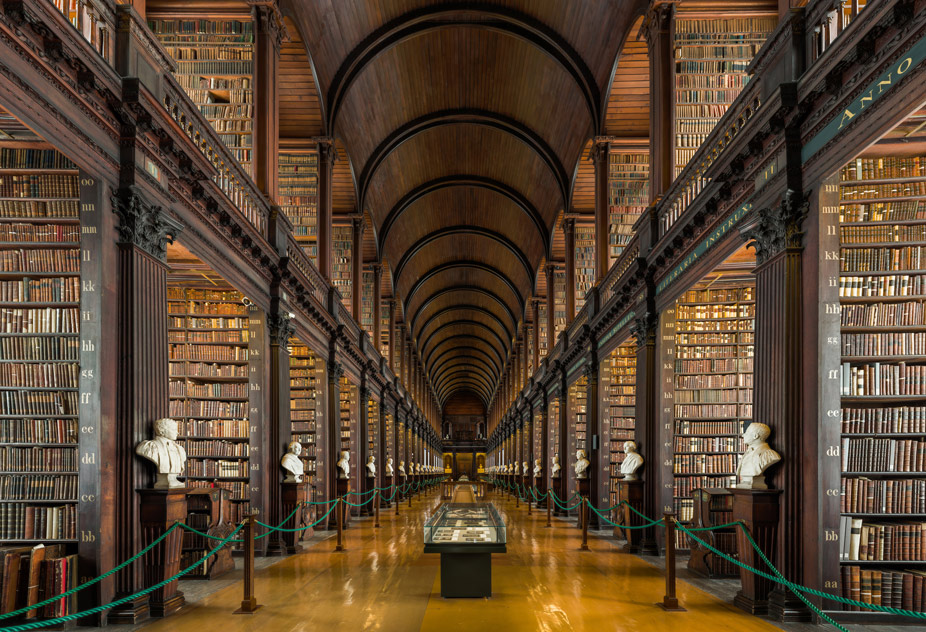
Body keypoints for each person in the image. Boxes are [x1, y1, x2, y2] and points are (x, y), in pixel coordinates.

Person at [136, 418, 187, 489]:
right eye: (174, 430)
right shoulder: (148, 447)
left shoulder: (180, 449)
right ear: (162, 431)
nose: (177, 433)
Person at [735, 422, 781, 489]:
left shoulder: (771, 455)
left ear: (755, 436)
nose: (743, 435)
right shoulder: (747, 452)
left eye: (746, 433)